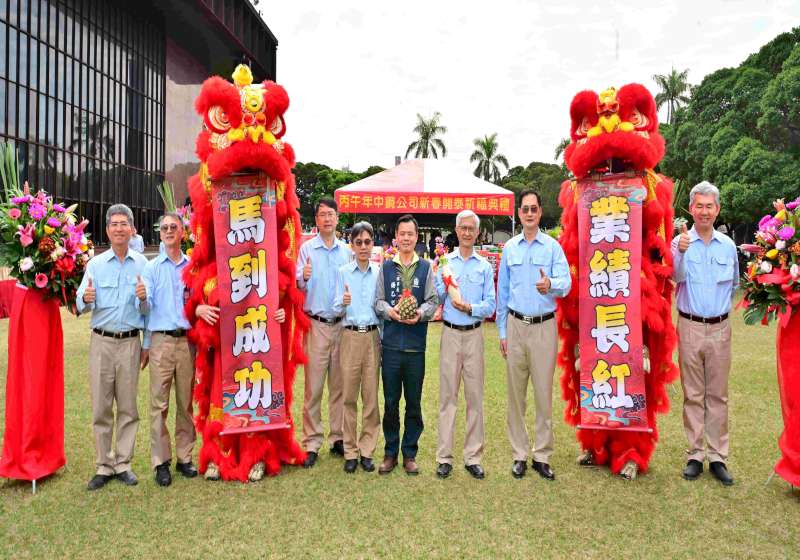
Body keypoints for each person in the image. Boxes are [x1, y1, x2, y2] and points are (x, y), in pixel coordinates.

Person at [496, 190, 571, 480]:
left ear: (540, 213)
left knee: (542, 393)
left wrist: (550, 283)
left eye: (533, 209)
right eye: (524, 209)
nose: (529, 213)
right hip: (515, 325)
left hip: (543, 327)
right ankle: (519, 454)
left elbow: (566, 284)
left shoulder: (552, 248)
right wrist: (502, 331)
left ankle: (542, 455)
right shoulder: (510, 249)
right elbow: (503, 294)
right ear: (519, 214)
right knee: (516, 395)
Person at [76, 204, 149, 491]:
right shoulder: (94, 264)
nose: (119, 228)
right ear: (107, 230)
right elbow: (80, 304)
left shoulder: (144, 264)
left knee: (129, 407)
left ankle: (124, 463)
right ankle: (104, 465)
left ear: (132, 230)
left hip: (131, 342)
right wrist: (88, 298)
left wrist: (144, 300)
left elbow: (149, 310)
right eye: (114, 224)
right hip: (102, 343)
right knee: (101, 407)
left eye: (124, 224)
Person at [672, 181, 738, 486]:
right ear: (690, 209)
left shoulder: (727, 246)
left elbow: (734, 285)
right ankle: (696, 454)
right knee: (694, 394)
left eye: (709, 206)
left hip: (721, 327)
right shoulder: (679, 243)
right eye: (699, 206)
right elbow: (673, 278)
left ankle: (718, 457)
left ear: (717, 209)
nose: (704, 211)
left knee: (718, 395)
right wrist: (681, 253)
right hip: (689, 326)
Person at [434, 210, 496, 480]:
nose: (468, 232)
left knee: (474, 397)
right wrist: (439, 278)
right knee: (448, 397)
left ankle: (473, 457)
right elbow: (437, 295)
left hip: (473, 335)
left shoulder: (484, 266)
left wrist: (470, 307)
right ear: (457, 231)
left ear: (477, 232)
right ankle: (444, 457)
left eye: (472, 228)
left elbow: (491, 305)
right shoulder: (447, 264)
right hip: (449, 334)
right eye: (464, 228)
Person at [375, 214, 438, 475]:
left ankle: (409, 453)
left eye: (411, 234)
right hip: (390, 346)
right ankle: (390, 452)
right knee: (390, 402)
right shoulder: (386, 268)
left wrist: (419, 313)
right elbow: (377, 301)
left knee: (413, 402)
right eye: (402, 234)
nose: (406, 238)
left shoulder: (425, 269)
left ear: (417, 237)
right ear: (396, 238)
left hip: (415, 348)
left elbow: (433, 301)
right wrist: (391, 311)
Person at [141, 213, 197, 487]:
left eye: (174, 227)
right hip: (161, 342)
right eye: (164, 228)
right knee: (158, 405)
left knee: (186, 403)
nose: (169, 231)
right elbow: (145, 307)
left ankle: (185, 457)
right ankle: (161, 461)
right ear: (160, 234)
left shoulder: (192, 267)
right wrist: (141, 297)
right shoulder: (152, 268)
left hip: (187, 342)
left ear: (182, 233)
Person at [295, 198, 352, 468]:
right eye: (322, 215)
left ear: (337, 218)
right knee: (314, 387)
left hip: (341, 325)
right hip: (316, 325)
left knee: (339, 385)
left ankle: (338, 437)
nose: (327, 219)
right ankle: (312, 441)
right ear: (316, 220)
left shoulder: (347, 252)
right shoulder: (307, 250)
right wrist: (304, 276)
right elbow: (297, 284)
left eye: (331, 214)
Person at [332, 221, 382, 474]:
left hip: (373, 337)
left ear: (373, 244)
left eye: (367, 242)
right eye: (358, 242)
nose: (363, 247)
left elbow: (383, 308)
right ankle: (350, 450)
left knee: (371, 397)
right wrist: (342, 302)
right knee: (349, 396)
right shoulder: (343, 272)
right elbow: (333, 308)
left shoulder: (379, 272)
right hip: (350, 337)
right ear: (351, 245)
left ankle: (367, 450)